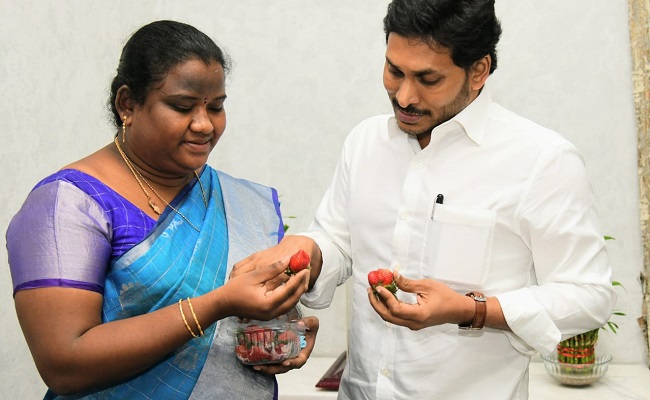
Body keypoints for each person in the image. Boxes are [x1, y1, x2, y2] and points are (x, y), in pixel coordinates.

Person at [234, 0, 616, 399]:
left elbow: (589, 295)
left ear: (479, 71)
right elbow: (341, 242)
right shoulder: (366, 142)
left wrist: (472, 311)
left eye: (428, 79)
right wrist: (310, 250)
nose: (403, 96)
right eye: (394, 71)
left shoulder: (542, 160)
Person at [6, 20, 318, 400]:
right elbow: (64, 362)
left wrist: (285, 335)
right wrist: (215, 305)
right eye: (182, 106)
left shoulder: (237, 200)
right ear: (128, 104)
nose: (205, 124)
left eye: (216, 107)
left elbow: (249, 321)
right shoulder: (68, 204)